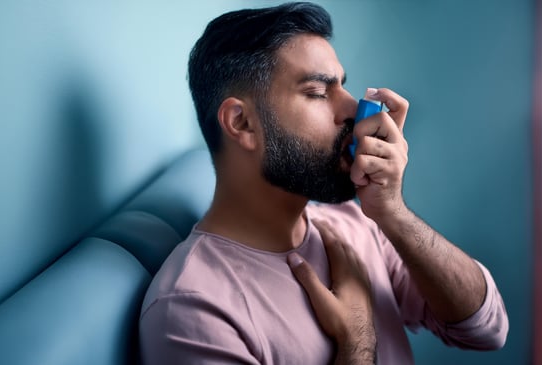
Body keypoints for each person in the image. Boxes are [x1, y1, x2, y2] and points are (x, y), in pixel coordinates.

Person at [139, 2, 509, 364]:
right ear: (242, 123)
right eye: (318, 92)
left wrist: (392, 212)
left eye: (343, 87)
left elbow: (486, 331)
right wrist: (358, 341)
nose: (352, 109)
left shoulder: (357, 223)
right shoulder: (193, 309)